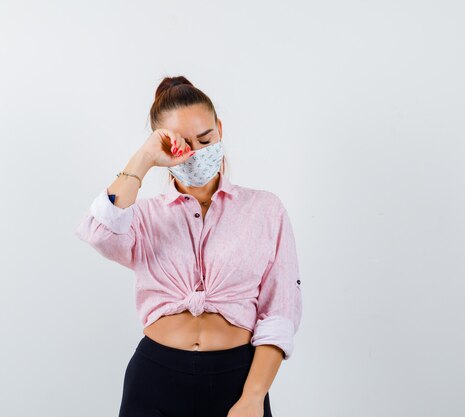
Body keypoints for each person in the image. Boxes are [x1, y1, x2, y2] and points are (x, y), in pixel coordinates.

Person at [74, 76, 303, 417]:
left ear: (220, 130)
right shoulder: (144, 216)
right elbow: (99, 233)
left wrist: (254, 396)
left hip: (238, 381)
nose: (197, 152)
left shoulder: (265, 210)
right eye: (183, 144)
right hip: (154, 380)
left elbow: (279, 311)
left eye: (205, 139)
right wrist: (144, 158)